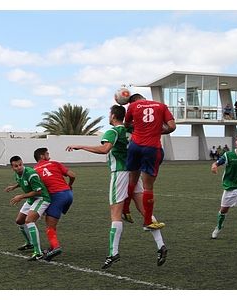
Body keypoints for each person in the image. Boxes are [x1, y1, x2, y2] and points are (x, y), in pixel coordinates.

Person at [66, 105, 168, 269]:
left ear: (113, 116)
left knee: (115, 214)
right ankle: (161, 245)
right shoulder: (134, 132)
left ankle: (113, 253)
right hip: (133, 174)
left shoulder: (113, 131)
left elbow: (105, 148)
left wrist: (81, 146)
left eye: (109, 114)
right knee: (145, 212)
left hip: (119, 173)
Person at [124, 93, 176, 231]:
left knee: (132, 180)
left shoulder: (133, 106)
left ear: (133, 101)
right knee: (148, 187)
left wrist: (138, 128)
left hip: (135, 146)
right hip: (152, 148)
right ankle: (147, 221)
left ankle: (125, 209)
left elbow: (127, 124)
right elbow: (172, 127)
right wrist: (159, 130)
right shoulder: (161, 106)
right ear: (144, 98)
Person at [4, 155, 51, 261]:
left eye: (20, 164)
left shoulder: (30, 173)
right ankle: (29, 243)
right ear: (12, 168)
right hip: (32, 199)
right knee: (19, 221)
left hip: (41, 198)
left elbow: (38, 191)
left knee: (29, 221)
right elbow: (22, 181)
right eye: (16, 166)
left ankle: (38, 253)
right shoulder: (17, 174)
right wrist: (14, 186)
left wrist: (20, 196)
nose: (19, 167)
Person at [33, 147, 76, 261]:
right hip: (68, 195)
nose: (49, 156)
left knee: (50, 226)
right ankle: (52, 246)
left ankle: (55, 247)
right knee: (52, 222)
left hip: (57, 196)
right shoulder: (55, 163)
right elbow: (72, 175)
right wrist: (70, 184)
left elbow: (39, 189)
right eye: (47, 154)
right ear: (42, 156)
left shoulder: (35, 170)